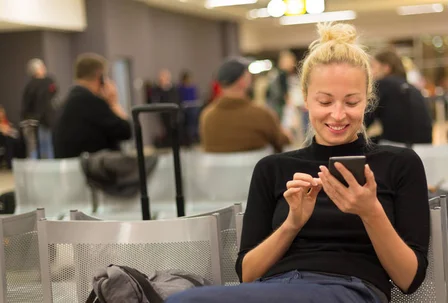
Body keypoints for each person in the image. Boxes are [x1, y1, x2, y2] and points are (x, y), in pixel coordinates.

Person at [168, 22, 430, 303]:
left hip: (352, 290)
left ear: (367, 101)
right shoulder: (272, 169)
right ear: (305, 99)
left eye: (351, 102)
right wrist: (292, 222)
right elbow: (247, 273)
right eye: (325, 102)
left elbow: (408, 279)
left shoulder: (399, 164)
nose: (338, 115)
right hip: (274, 288)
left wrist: (370, 212)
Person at [200, 57, 292, 153]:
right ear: (243, 81)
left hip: (219, 168)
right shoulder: (262, 115)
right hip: (254, 167)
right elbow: (284, 142)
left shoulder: (206, 117)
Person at [53, 53, 131, 159]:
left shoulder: (66, 102)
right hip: (92, 171)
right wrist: (113, 102)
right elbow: (126, 131)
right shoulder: (90, 101)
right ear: (101, 78)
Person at [366, 48, 432, 145]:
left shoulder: (382, 84)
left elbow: (366, 118)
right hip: (424, 147)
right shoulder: (413, 88)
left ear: (386, 68)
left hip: (399, 146)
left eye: (373, 67)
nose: (371, 72)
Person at [21, 58, 58, 159]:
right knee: (46, 147)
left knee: (35, 148)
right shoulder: (47, 82)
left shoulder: (29, 86)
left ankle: (36, 170)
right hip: (43, 120)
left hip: (34, 120)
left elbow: (26, 105)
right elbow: (53, 93)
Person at [152, 69, 183, 147]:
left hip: (174, 114)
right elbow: (155, 99)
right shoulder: (158, 89)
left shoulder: (174, 89)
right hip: (164, 114)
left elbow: (177, 100)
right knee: (167, 130)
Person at [179, 71, 200, 144]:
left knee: (195, 119)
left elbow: (195, 97)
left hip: (193, 107)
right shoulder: (181, 88)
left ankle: (195, 136)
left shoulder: (193, 87)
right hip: (185, 108)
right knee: (188, 123)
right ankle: (189, 137)